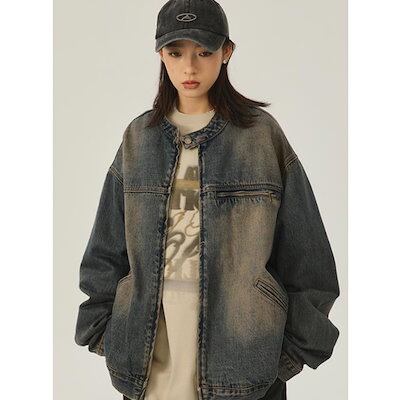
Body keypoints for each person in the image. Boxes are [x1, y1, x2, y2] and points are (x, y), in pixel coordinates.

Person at [74, 1, 340, 400]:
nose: (189, 67)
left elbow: (310, 261)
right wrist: (107, 337)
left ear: (226, 52)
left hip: (244, 371)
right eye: (175, 52)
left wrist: (280, 363)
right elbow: (104, 254)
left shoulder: (261, 137)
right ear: (160, 54)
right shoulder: (138, 139)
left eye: (204, 51)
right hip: (147, 372)